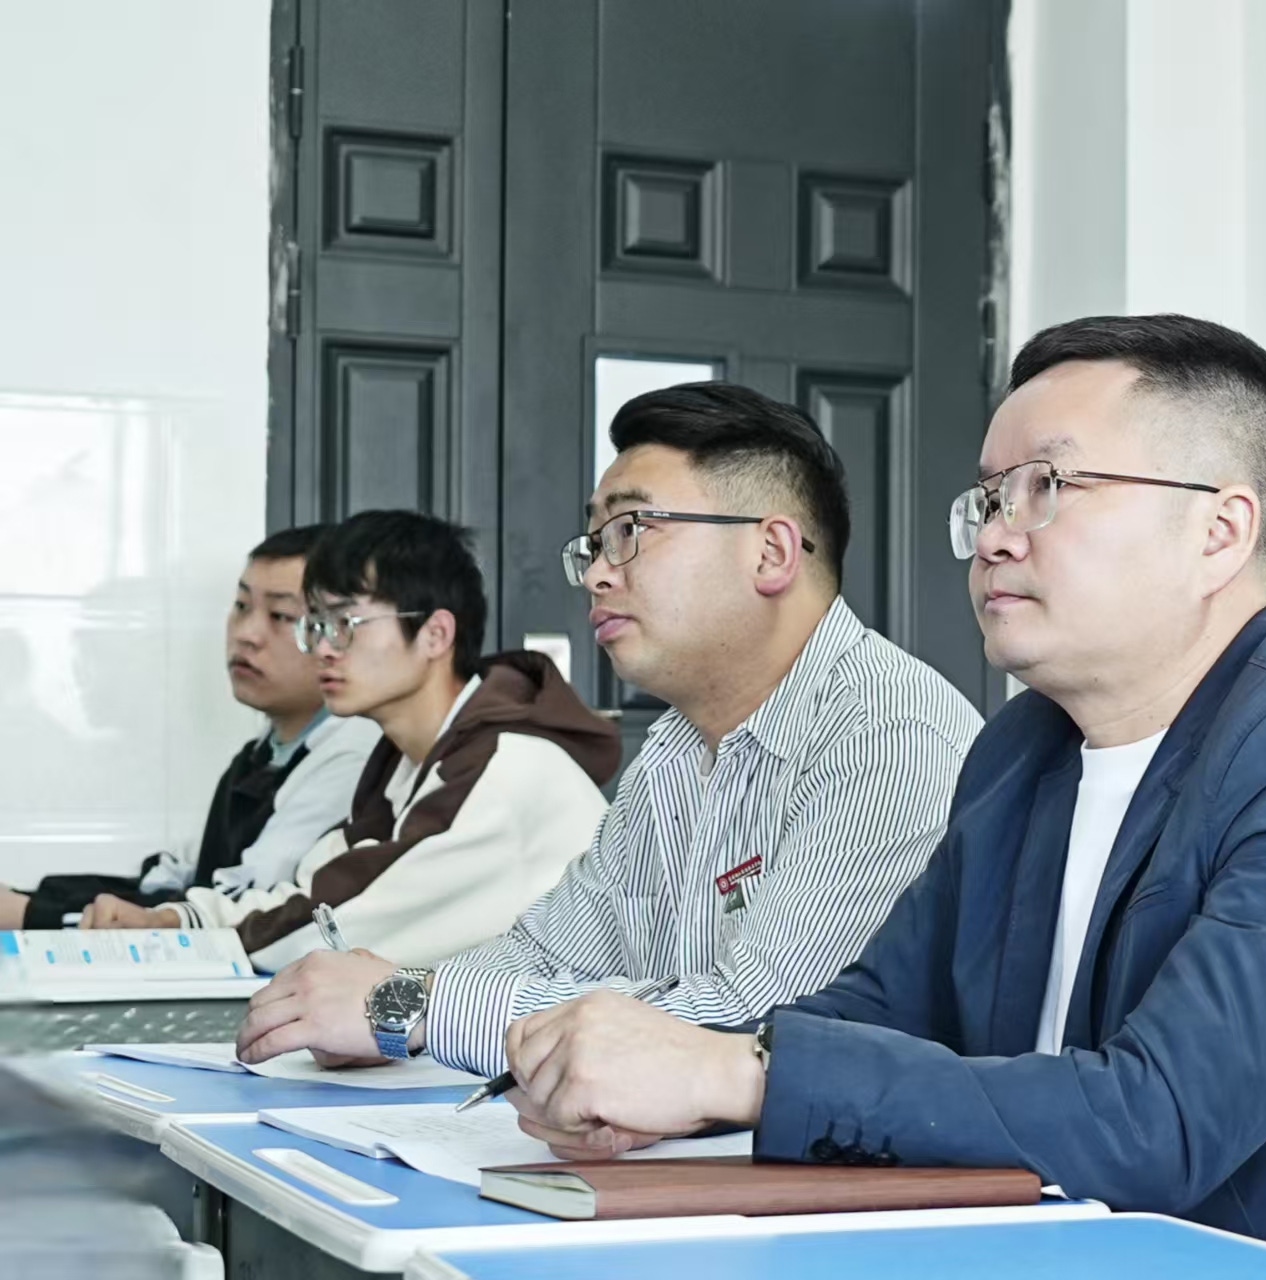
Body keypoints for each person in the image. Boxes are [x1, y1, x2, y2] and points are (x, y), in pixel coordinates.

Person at [487, 318, 1266, 1280]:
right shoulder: (1026, 747)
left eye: (1047, 488)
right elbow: (877, 1008)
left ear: (1219, 531)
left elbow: (1157, 1120)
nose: (996, 534)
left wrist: (738, 1075)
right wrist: (665, 1088)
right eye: (989, 497)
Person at [234, 383, 982, 1073]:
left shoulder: (888, 734)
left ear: (771, 552)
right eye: (593, 545)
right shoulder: (673, 754)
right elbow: (544, 951)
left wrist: (413, 1008)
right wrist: (387, 1019)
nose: (596, 573)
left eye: (629, 530)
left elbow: (759, 1021)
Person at [86, 509, 620, 976]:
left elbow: (344, 928)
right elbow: (318, 889)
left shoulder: (505, 768)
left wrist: (182, 936)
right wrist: (175, 920)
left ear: (435, 635)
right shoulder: (406, 760)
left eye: (346, 623)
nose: (324, 649)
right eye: (316, 626)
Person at [0, 526, 379, 932]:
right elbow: (180, 876)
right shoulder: (262, 754)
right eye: (241, 606)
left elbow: (242, 904)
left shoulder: (353, 758)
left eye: (281, 616)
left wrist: (31, 914)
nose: (247, 634)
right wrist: (31, 900)